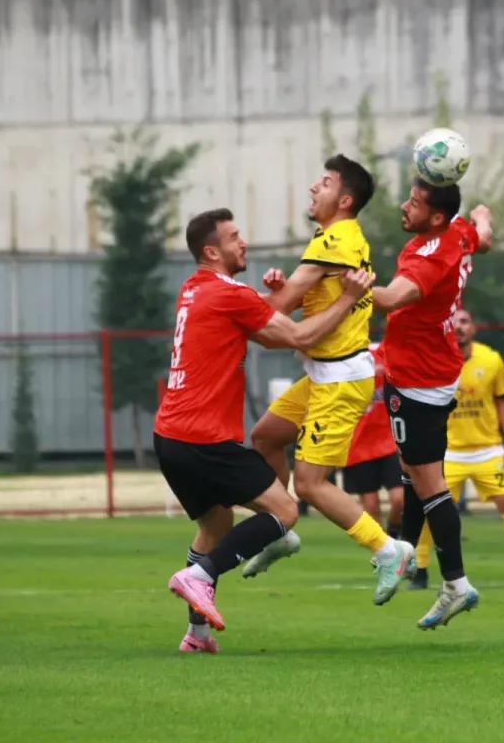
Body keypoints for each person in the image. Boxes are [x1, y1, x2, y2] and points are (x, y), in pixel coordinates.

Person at [157, 207, 375, 653]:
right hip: (201, 438)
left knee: (215, 527)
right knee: (285, 511)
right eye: (234, 237)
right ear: (211, 252)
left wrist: (278, 294)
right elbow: (299, 337)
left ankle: (197, 635)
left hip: (171, 437)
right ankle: (199, 576)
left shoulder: (194, 289)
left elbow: (265, 328)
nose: (244, 243)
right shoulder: (229, 293)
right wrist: (347, 298)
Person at [242, 156, 415, 605]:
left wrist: (230, 300)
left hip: (340, 380)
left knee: (311, 484)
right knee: (265, 437)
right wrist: (282, 290)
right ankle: (279, 529)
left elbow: (279, 308)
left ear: (345, 200)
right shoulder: (336, 238)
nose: (314, 187)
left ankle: (387, 549)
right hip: (323, 374)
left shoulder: (336, 239)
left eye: (325, 182)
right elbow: (298, 296)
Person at [373, 179, 493, 630]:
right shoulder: (459, 231)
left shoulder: (430, 257)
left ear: (437, 216)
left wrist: (342, 282)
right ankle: (404, 552)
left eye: (415, 203)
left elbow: (391, 298)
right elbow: (484, 234)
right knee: (413, 469)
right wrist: (482, 217)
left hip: (418, 378)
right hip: (433, 369)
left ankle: (456, 583)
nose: (405, 207)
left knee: (429, 483)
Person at [410, 309, 504, 591]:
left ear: (474, 328)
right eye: (453, 322)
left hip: (488, 450)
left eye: (464, 321)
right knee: (430, 510)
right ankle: (420, 572)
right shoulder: (435, 359)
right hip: (448, 452)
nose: (459, 327)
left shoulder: (491, 359)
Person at [339, 342, 404, 538]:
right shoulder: (339, 362)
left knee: (400, 499)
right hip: (357, 446)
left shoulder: (383, 353)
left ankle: (393, 535)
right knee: (371, 505)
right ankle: (385, 548)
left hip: (388, 443)